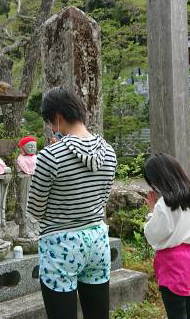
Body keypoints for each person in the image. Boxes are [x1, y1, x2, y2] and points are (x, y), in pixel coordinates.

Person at [27, 87, 117, 319]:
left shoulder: (50, 155)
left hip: (61, 245)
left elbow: (35, 209)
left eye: (50, 122)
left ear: (57, 118)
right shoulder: (109, 152)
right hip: (97, 239)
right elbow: (103, 198)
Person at [144, 153, 190, 319]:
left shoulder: (165, 204)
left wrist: (151, 213)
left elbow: (154, 235)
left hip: (174, 260)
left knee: (176, 312)